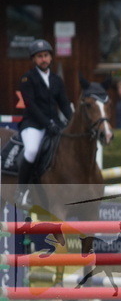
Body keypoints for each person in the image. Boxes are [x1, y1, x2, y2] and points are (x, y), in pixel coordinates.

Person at [17, 38, 72, 206]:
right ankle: (22, 191)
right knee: (32, 150)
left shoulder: (56, 80)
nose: (43, 59)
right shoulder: (27, 79)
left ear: (51, 57)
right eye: (39, 56)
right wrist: (48, 124)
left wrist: (72, 122)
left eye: (46, 55)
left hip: (54, 125)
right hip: (33, 124)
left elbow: (63, 103)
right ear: (34, 59)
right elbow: (31, 105)